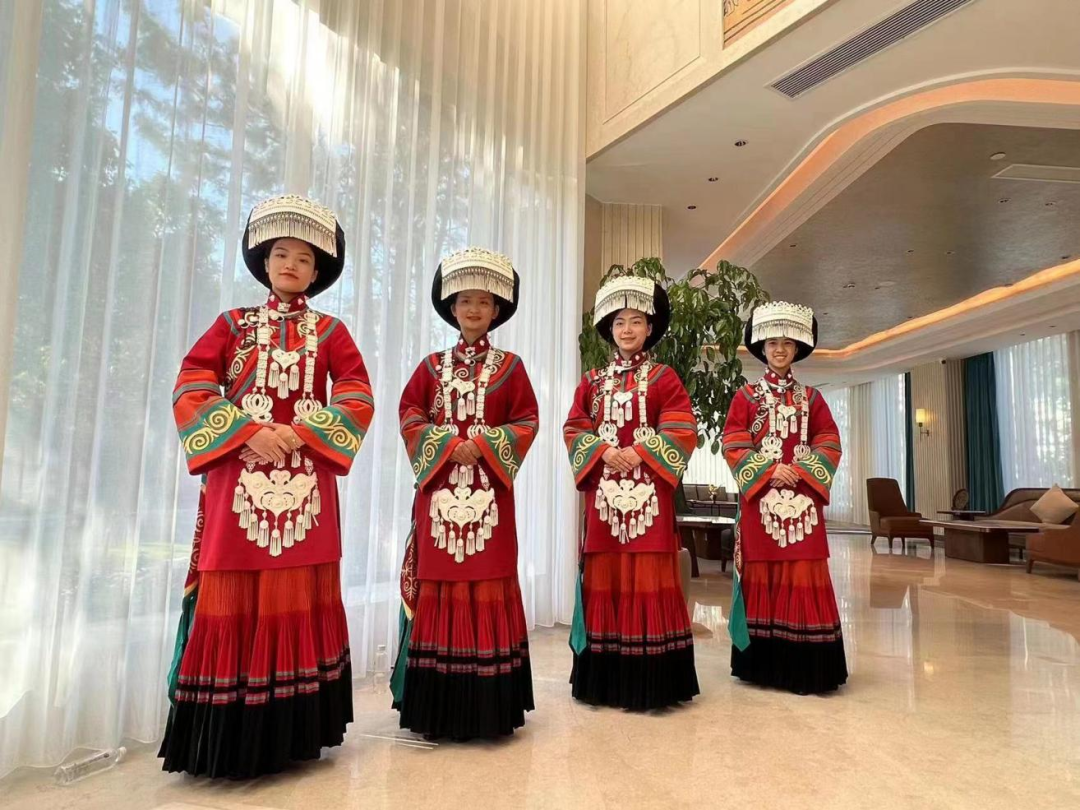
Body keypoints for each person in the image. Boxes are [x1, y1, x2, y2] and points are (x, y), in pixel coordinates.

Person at [160, 195, 374, 776]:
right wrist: (248, 432)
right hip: (237, 480)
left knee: (297, 592)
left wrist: (298, 435)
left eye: (304, 258)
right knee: (231, 591)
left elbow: (357, 395)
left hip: (306, 485)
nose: (291, 265)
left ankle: (293, 737)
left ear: (317, 271)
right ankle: (226, 742)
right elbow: (191, 384)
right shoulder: (231, 324)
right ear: (263, 261)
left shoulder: (332, 331)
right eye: (281, 253)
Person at [392, 247, 538, 738]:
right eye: (465, 300)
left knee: (489, 581)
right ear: (451, 307)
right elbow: (410, 415)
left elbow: (527, 420)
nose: (474, 309)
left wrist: (484, 445)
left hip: (489, 498)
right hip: (438, 497)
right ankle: (434, 707)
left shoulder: (512, 367)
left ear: (497, 310)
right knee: (440, 584)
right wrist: (447, 446)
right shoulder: (430, 366)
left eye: (484, 301)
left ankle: (489, 709)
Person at [562, 271, 699, 709]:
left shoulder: (664, 378)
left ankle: (652, 683)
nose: (627, 329)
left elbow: (682, 428)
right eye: (619, 322)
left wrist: (639, 452)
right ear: (609, 328)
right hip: (603, 500)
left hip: (649, 500)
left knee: (648, 575)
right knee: (605, 576)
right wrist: (604, 451)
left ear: (650, 327)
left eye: (636, 321)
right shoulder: (591, 381)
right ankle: (603, 682)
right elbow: (574, 428)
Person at [722, 301, 847, 695]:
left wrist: (802, 471)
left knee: (804, 573)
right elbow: (733, 443)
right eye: (772, 343)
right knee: (762, 576)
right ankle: (761, 668)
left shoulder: (812, 398)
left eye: (787, 343)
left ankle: (808, 669)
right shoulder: (745, 397)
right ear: (761, 347)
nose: (779, 349)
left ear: (797, 349)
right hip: (760, 504)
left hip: (803, 503)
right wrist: (769, 469)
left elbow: (830, 442)